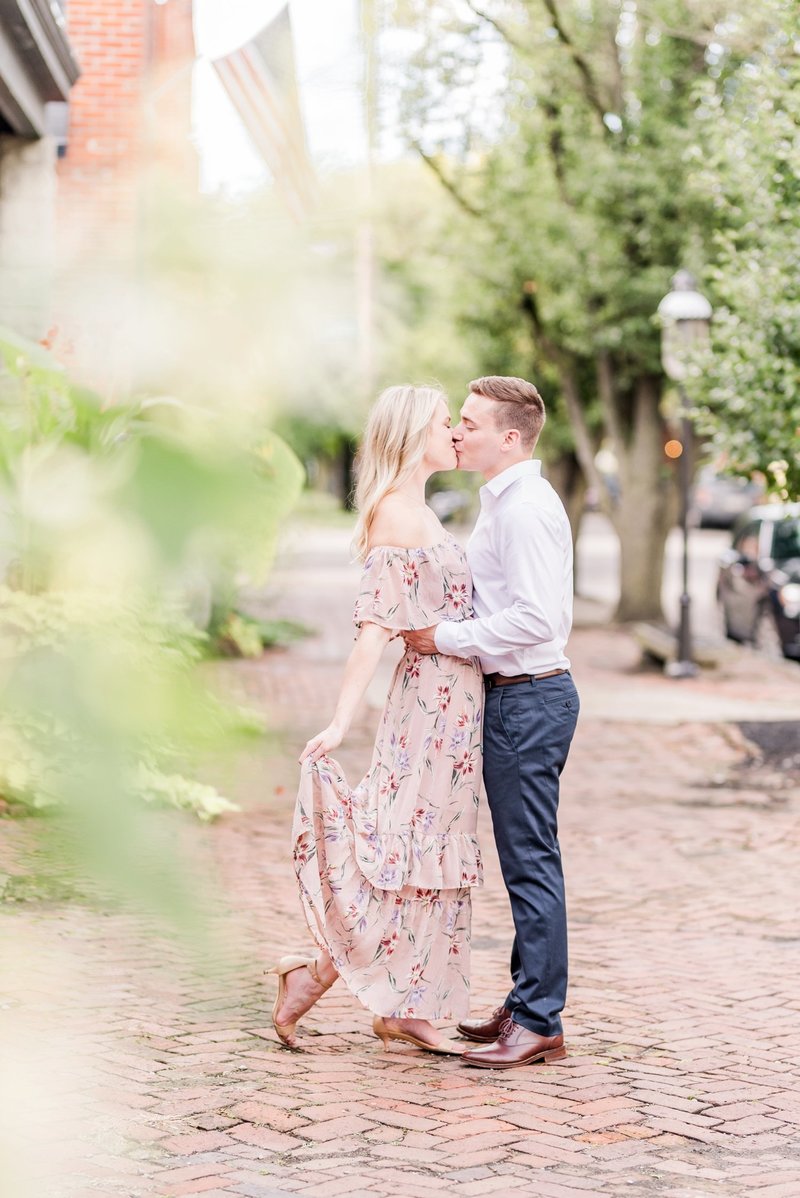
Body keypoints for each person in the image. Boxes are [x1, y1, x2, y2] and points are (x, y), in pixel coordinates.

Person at [268, 384, 484, 1054]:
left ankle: (403, 1006)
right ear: (415, 432)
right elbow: (373, 630)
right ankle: (312, 979)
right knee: (402, 855)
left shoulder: (422, 509)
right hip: (426, 710)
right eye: (446, 422)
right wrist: (340, 722)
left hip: (455, 711)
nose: (455, 432)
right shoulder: (397, 513)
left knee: (429, 861)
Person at [404, 375, 578, 1070]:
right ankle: (525, 1002)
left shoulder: (525, 508)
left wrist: (441, 637)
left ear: (510, 436)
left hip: (529, 698)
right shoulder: (503, 501)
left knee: (531, 863)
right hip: (515, 697)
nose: (457, 432)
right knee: (522, 861)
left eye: (470, 423)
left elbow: (539, 618)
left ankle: (539, 1021)